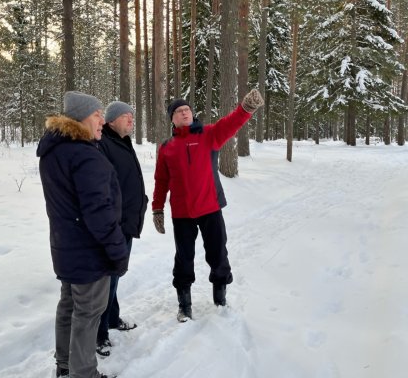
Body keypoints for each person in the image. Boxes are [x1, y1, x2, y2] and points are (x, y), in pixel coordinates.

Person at [152, 89, 264, 322]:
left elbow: (230, 124)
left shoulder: (209, 134)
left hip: (210, 207)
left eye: (187, 110)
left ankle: (220, 296)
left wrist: (246, 109)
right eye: (179, 111)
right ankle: (184, 304)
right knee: (184, 257)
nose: (184, 113)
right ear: (172, 119)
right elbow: (161, 180)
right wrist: (157, 208)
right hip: (182, 212)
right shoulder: (166, 147)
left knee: (218, 253)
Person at [37, 91, 128, 378]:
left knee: (69, 306)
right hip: (89, 251)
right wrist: (117, 249)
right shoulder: (85, 155)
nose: (102, 120)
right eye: (97, 115)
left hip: (66, 247)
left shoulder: (56, 149)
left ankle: (65, 365)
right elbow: (99, 212)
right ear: (80, 119)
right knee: (88, 314)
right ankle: (84, 373)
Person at [95, 101, 148, 356]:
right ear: (111, 119)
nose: (131, 119)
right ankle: (99, 334)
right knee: (109, 280)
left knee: (114, 277)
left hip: (126, 221)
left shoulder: (122, 142)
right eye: (126, 116)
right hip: (115, 225)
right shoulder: (102, 142)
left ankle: (113, 319)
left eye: (132, 116)